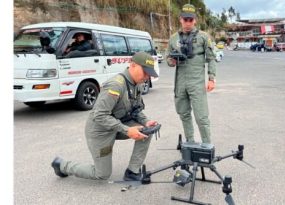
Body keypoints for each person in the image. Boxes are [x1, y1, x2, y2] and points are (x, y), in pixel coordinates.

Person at [51, 52, 159, 181]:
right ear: (133, 65)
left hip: (117, 125)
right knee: (102, 174)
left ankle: (132, 172)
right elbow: (100, 116)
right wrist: (127, 130)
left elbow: (135, 110)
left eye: (149, 74)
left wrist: (146, 122)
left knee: (146, 131)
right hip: (100, 131)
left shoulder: (137, 84)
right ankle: (62, 165)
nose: (147, 77)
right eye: (145, 72)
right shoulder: (116, 85)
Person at [166, 4, 216, 143]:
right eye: (185, 19)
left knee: (201, 116)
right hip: (180, 82)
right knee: (184, 113)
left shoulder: (204, 37)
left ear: (195, 20)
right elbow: (167, 58)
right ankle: (190, 143)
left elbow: (211, 58)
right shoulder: (173, 38)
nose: (188, 22)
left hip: (197, 82)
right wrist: (172, 61)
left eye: (190, 19)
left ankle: (206, 145)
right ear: (180, 19)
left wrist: (212, 78)